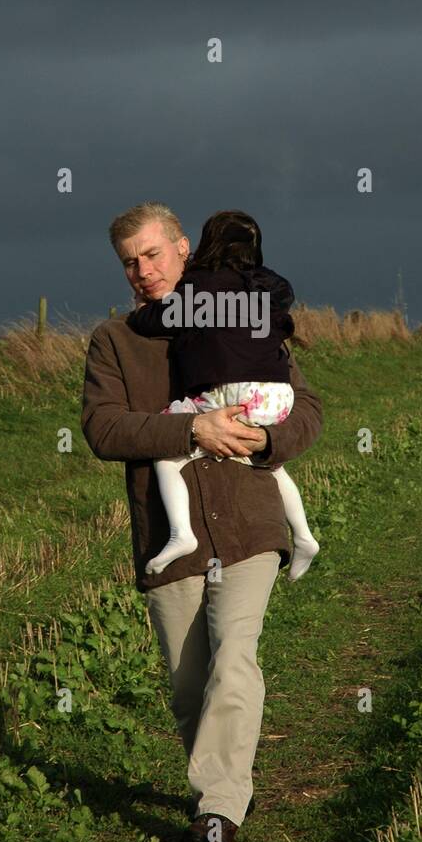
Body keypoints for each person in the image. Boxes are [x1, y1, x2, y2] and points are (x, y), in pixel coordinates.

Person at [80, 202, 323, 842]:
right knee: (190, 686)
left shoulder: (241, 312)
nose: (142, 270)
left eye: (153, 254)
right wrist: (190, 428)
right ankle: (230, 787)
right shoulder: (115, 340)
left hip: (249, 520)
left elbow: (307, 410)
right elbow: (104, 428)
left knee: (233, 657)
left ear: (184, 249)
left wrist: (268, 438)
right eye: (129, 261)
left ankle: (216, 811)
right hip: (170, 536)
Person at [127, 210, 320, 582]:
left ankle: (182, 533)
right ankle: (304, 534)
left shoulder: (199, 286)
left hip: (236, 392)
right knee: (267, 461)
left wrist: (138, 317)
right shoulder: (267, 289)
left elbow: (162, 320)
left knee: (170, 446)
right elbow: (283, 318)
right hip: (278, 396)